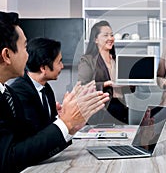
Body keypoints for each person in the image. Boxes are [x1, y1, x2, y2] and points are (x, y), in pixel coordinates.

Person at [0, 11, 110, 172]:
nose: (28, 55)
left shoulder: (8, 93)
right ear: (7, 55)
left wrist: (69, 124)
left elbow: (27, 144)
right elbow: (9, 159)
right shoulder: (17, 92)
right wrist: (65, 123)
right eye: (24, 48)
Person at [78, 20, 131, 124]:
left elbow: (124, 88)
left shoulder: (116, 60)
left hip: (121, 107)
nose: (110, 38)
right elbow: (82, 86)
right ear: (96, 39)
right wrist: (106, 84)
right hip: (101, 109)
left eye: (111, 35)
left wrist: (131, 83)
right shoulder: (88, 60)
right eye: (106, 35)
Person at [10, 37, 64, 132]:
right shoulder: (19, 92)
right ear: (43, 68)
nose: (62, 66)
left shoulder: (46, 88)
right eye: (59, 62)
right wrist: (65, 122)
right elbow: (35, 133)